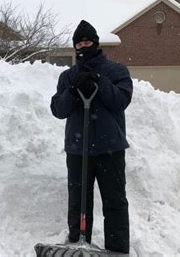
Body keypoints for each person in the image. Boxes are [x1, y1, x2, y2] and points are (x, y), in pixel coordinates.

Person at [50, 20, 133, 254]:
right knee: (78, 201)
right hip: (78, 149)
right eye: (79, 43)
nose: (83, 46)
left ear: (95, 43)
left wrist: (99, 80)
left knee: (115, 202)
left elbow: (120, 101)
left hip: (110, 149)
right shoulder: (68, 77)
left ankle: (117, 250)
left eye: (87, 42)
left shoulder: (117, 71)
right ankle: (78, 243)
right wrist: (73, 90)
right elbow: (58, 109)